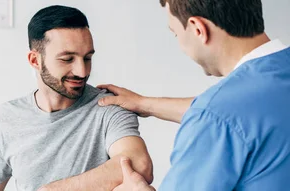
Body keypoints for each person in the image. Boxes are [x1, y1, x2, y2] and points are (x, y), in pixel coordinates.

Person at [101, 0, 290, 190]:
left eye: (175, 33)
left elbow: (221, 116)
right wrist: (144, 104)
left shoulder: (214, 116)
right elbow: (249, 112)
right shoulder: (267, 85)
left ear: (198, 29)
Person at [0, 5, 153, 191]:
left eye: (87, 58)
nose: (82, 71)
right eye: (68, 59)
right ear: (35, 61)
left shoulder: (109, 106)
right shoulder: (9, 117)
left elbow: (139, 164)